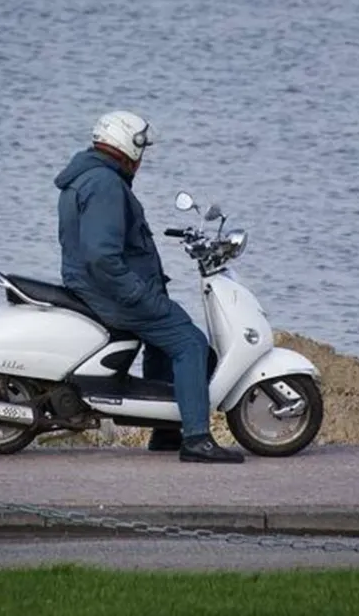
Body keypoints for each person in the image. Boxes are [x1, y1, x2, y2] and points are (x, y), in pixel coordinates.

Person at [53, 110, 244, 464]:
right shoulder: (105, 184)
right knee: (191, 344)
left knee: (162, 345)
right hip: (114, 294)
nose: (143, 158)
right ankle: (197, 439)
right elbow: (101, 256)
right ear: (128, 145)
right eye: (142, 148)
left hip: (96, 289)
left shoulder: (85, 177)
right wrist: (138, 294)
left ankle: (166, 432)